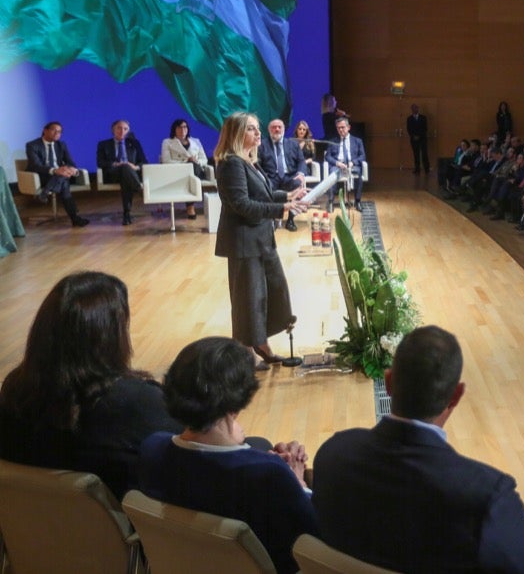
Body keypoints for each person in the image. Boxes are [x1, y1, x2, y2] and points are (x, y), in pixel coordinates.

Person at [312, 325, 524, 574]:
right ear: (456, 396)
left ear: (389, 383)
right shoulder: (485, 497)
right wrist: (520, 517)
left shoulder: (332, 454)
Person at [139, 337, 318, 574]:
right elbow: (317, 542)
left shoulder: (151, 450)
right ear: (236, 403)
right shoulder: (270, 475)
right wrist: (298, 481)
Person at [0, 272, 181, 498]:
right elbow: (193, 451)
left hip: (31, 529)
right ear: (110, 337)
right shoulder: (136, 404)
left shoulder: (14, 394)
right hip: (127, 529)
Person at [213, 112, 307, 370]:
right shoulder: (231, 163)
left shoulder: (247, 161)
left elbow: (263, 194)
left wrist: (288, 195)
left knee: (267, 294)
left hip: (260, 239)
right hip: (245, 243)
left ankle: (260, 343)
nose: (258, 134)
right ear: (237, 134)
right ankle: (246, 352)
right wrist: (283, 209)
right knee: (248, 299)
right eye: (252, 129)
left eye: (258, 129)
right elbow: (242, 205)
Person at [22, 121, 89, 227]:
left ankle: (44, 193)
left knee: (63, 178)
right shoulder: (32, 145)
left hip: (59, 176)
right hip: (41, 176)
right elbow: (35, 165)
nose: (57, 133)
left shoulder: (61, 145)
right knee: (63, 180)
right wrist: (54, 170)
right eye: (54, 130)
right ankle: (75, 218)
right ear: (45, 130)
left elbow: (70, 162)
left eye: (60, 131)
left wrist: (70, 169)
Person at [257, 119, 307, 231]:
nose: (277, 129)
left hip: (289, 176)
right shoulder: (262, 145)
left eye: (279, 127)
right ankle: (272, 220)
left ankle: (290, 220)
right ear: (269, 130)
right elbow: (257, 164)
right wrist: (262, 176)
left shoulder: (293, 144)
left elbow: (301, 161)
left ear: (284, 129)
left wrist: (301, 173)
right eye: (274, 127)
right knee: (266, 186)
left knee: (297, 183)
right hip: (271, 177)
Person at [96, 119, 146, 226]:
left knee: (126, 173)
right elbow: (100, 162)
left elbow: (144, 162)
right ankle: (139, 189)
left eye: (125, 129)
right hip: (112, 174)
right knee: (124, 168)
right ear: (113, 130)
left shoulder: (135, 143)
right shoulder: (103, 144)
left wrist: (136, 166)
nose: (122, 131)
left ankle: (126, 214)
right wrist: (115, 164)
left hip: (129, 174)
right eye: (119, 128)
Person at [160, 118, 208, 219]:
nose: (183, 130)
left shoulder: (196, 141)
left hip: (196, 171)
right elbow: (166, 161)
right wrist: (186, 162)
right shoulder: (167, 142)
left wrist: (195, 161)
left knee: (193, 168)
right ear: (174, 129)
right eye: (179, 127)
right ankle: (190, 206)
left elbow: (204, 159)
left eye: (185, 127)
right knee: (190, 168)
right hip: (178, 172)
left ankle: (190, 205)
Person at [325, 116, 367, 210]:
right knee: (332, 173)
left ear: (348, 127)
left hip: (351, 165)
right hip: (338, 165)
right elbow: (327, 156)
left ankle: (357, 201)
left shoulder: (357, 141)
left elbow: (362, 156)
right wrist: (337, 163)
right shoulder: (332, 141)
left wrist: (353, 162)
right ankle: (331, 201)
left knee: (358, 174)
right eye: (338, 128)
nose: (340, 130)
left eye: (343, 127)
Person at [407, 103, 429, 174]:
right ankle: (417, 169)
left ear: (418, 109)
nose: (414, 110)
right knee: (416, 155)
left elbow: (425, 128)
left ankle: (426, 169)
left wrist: (419, 136)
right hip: (414, 140)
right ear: (411, 110)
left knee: (424, 154)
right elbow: (408, 129)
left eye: (416, 108)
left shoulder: (423, 118)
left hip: (422, 139)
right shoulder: (409, 119)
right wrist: (413, 136)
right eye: (413, 108)